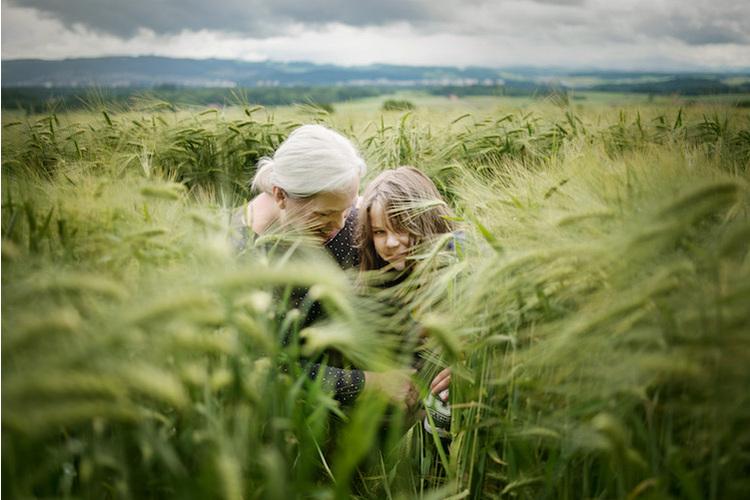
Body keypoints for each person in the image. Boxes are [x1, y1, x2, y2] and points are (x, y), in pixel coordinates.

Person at [230, 124, 414, 406]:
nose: (341, 224)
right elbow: (262, 364)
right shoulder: (241, 255)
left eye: (347, 208)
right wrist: (371, 383)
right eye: (325, 214)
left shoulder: (346, 220)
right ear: (280, 195)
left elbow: (443, 239)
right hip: (285, 408)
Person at [354, 166, 461, 436]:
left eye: (401, 227)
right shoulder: (391, 272)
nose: (390, 243)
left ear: (425, 219)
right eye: (379, 232)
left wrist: (470, 363)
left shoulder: (460, 256)